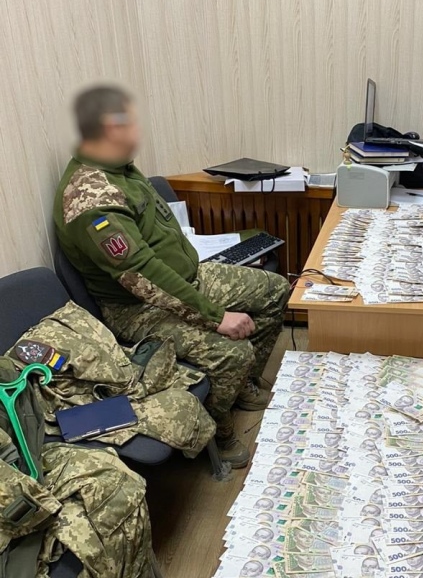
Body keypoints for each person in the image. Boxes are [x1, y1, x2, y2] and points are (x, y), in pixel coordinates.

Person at [54, 85, 290, 466]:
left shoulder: (119, 167)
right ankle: (219, 433)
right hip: (137, 308)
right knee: (233, 352)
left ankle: (239, 386)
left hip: (188, 279)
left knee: (275, 290)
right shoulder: (91, 199)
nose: (136, 133)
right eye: (125, 126)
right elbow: (144, 276)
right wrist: (217, 317)